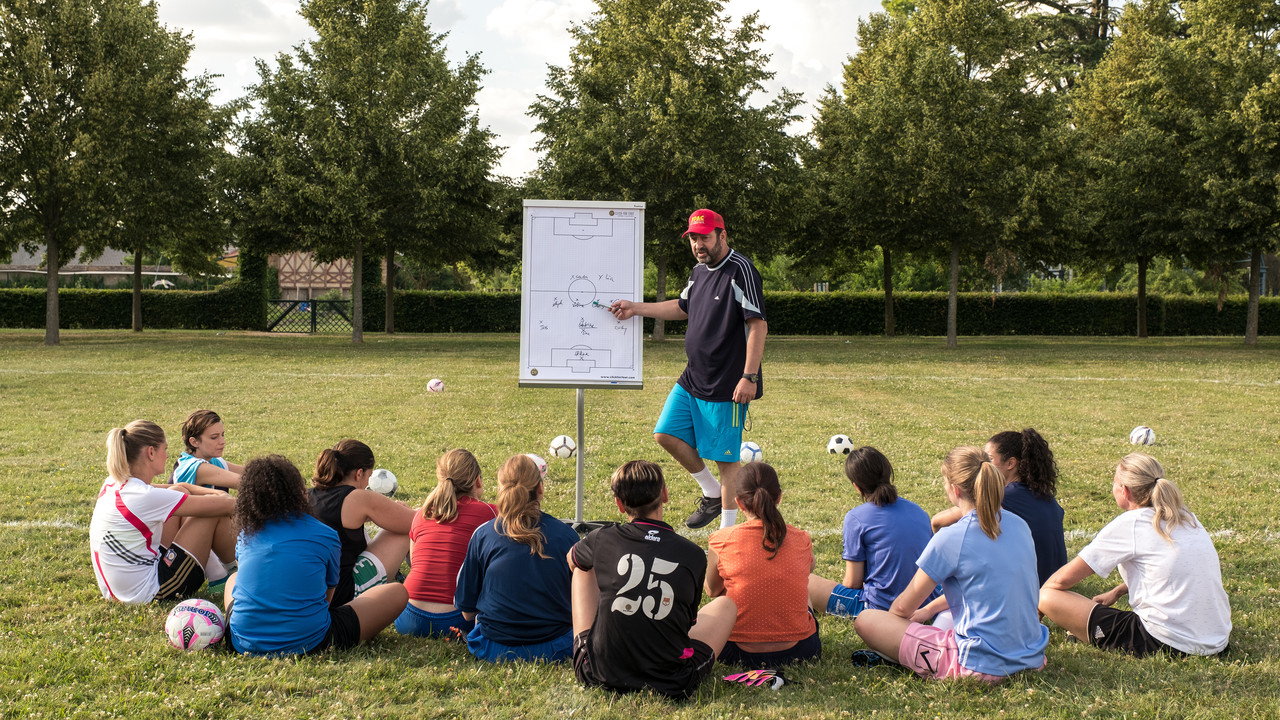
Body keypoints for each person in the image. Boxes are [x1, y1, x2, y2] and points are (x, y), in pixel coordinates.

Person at [608, 208, 767, 529]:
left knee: (726, 462)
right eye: (693, 238)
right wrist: (635, 307)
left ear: (722, 235)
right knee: (665, 434)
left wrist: (748, 377)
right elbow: (682, 307)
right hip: (693, 377)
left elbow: (758, 325)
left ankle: (727, 533)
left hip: (728, 385)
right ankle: (710, 492)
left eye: (705, 237)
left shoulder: (741, 270)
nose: (698, 244)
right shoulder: (698, 271)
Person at [854, 446, 1048, 682]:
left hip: (979, 666)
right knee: (943, 617)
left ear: (954, 489)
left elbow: (902, 609)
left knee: (867, 620)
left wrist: (894, 626)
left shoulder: (951, 537)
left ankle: (912, 659)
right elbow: (986, 588)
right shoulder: (1020, 525)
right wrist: (928, 610)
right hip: (1032, 658)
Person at [568, 460, 737, 698]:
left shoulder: (601, 539)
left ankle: (604, 641)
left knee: (582, 566)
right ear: (665, 495)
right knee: (726, 605)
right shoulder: (693, 554)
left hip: (598, 671)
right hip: (671, 681)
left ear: (619, 504)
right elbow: (688, 621)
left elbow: (571, 559)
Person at [1039, 453, 1231, 657]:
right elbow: (1171, 570)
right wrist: (1118, 591)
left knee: (1047, 596)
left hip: (1167, 643)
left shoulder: (1131, 524)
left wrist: (1036, 613)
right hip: (1217, 638)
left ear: (1125, 490)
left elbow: (1059, 582)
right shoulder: (1185, 516)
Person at [224, 455, 408, 656]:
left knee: (232, 578)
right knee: (397, 593)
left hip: (242, 642)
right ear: (298, 491)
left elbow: (245, 582)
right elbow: (327, 598)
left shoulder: (246, 535)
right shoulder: (325, 534)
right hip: (311, 642)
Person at [89, 420, 237, 604]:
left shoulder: (114, 482)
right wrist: (223, 498)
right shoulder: (143, 496)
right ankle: (238, 575)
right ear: (151, 452)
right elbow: (226, 506)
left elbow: (178, 487)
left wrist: (217, 494)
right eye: (164, 449)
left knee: (179, 493)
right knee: (210, 513)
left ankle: (219, 574)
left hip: (122, 590)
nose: (167, 456)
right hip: (149, 593)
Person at [454, 454, 580, 662]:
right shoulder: (567, 535)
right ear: (540, 489)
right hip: (556, 646)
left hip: (493, 647)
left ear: (500, 489)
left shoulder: (483, 534)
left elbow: (467, 612)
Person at [706, 462, 820, 666]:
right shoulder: (801, 538)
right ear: (779, 497)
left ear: (739, 503)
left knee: (724, 598)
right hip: (801, 650)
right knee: (805, 587)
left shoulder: (721, 539)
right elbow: (809, 570)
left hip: (735, 651)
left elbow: (713, 590)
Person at [809, 446, 938, 619]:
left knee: (805, 581)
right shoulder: (918, 511)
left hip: (880, 608)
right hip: (926, 601)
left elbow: (853, 583)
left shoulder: (856, 518)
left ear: (856, 486)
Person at [932, 428, 1066, 586]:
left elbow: (938, 522)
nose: (983, 466)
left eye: (989, 460)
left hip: (1033, 586)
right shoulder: (1044, 493)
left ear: (1010, 463)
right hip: (1057, 581)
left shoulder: (1004, 496)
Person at [396, 449, 498, 638]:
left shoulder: (422, 513)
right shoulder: (490, 513)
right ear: (478, 481)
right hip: (458, 619)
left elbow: (413, 563)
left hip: (408, 618)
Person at [308, 439, 414, 607]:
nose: (367, 484)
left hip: (314, 593)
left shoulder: (308, 495)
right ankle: (423, 584)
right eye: (369, 477)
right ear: (359, 474)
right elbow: (415, 522)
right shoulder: (357, 497)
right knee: (404, 531)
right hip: (344, 593)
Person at [170, 409, 243, 491]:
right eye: (214, 437)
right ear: (194, 442)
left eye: (222, 435)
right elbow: (249, 483)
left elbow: (250, 473)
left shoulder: (215, 461)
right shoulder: (196, 468)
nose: (223, 441)